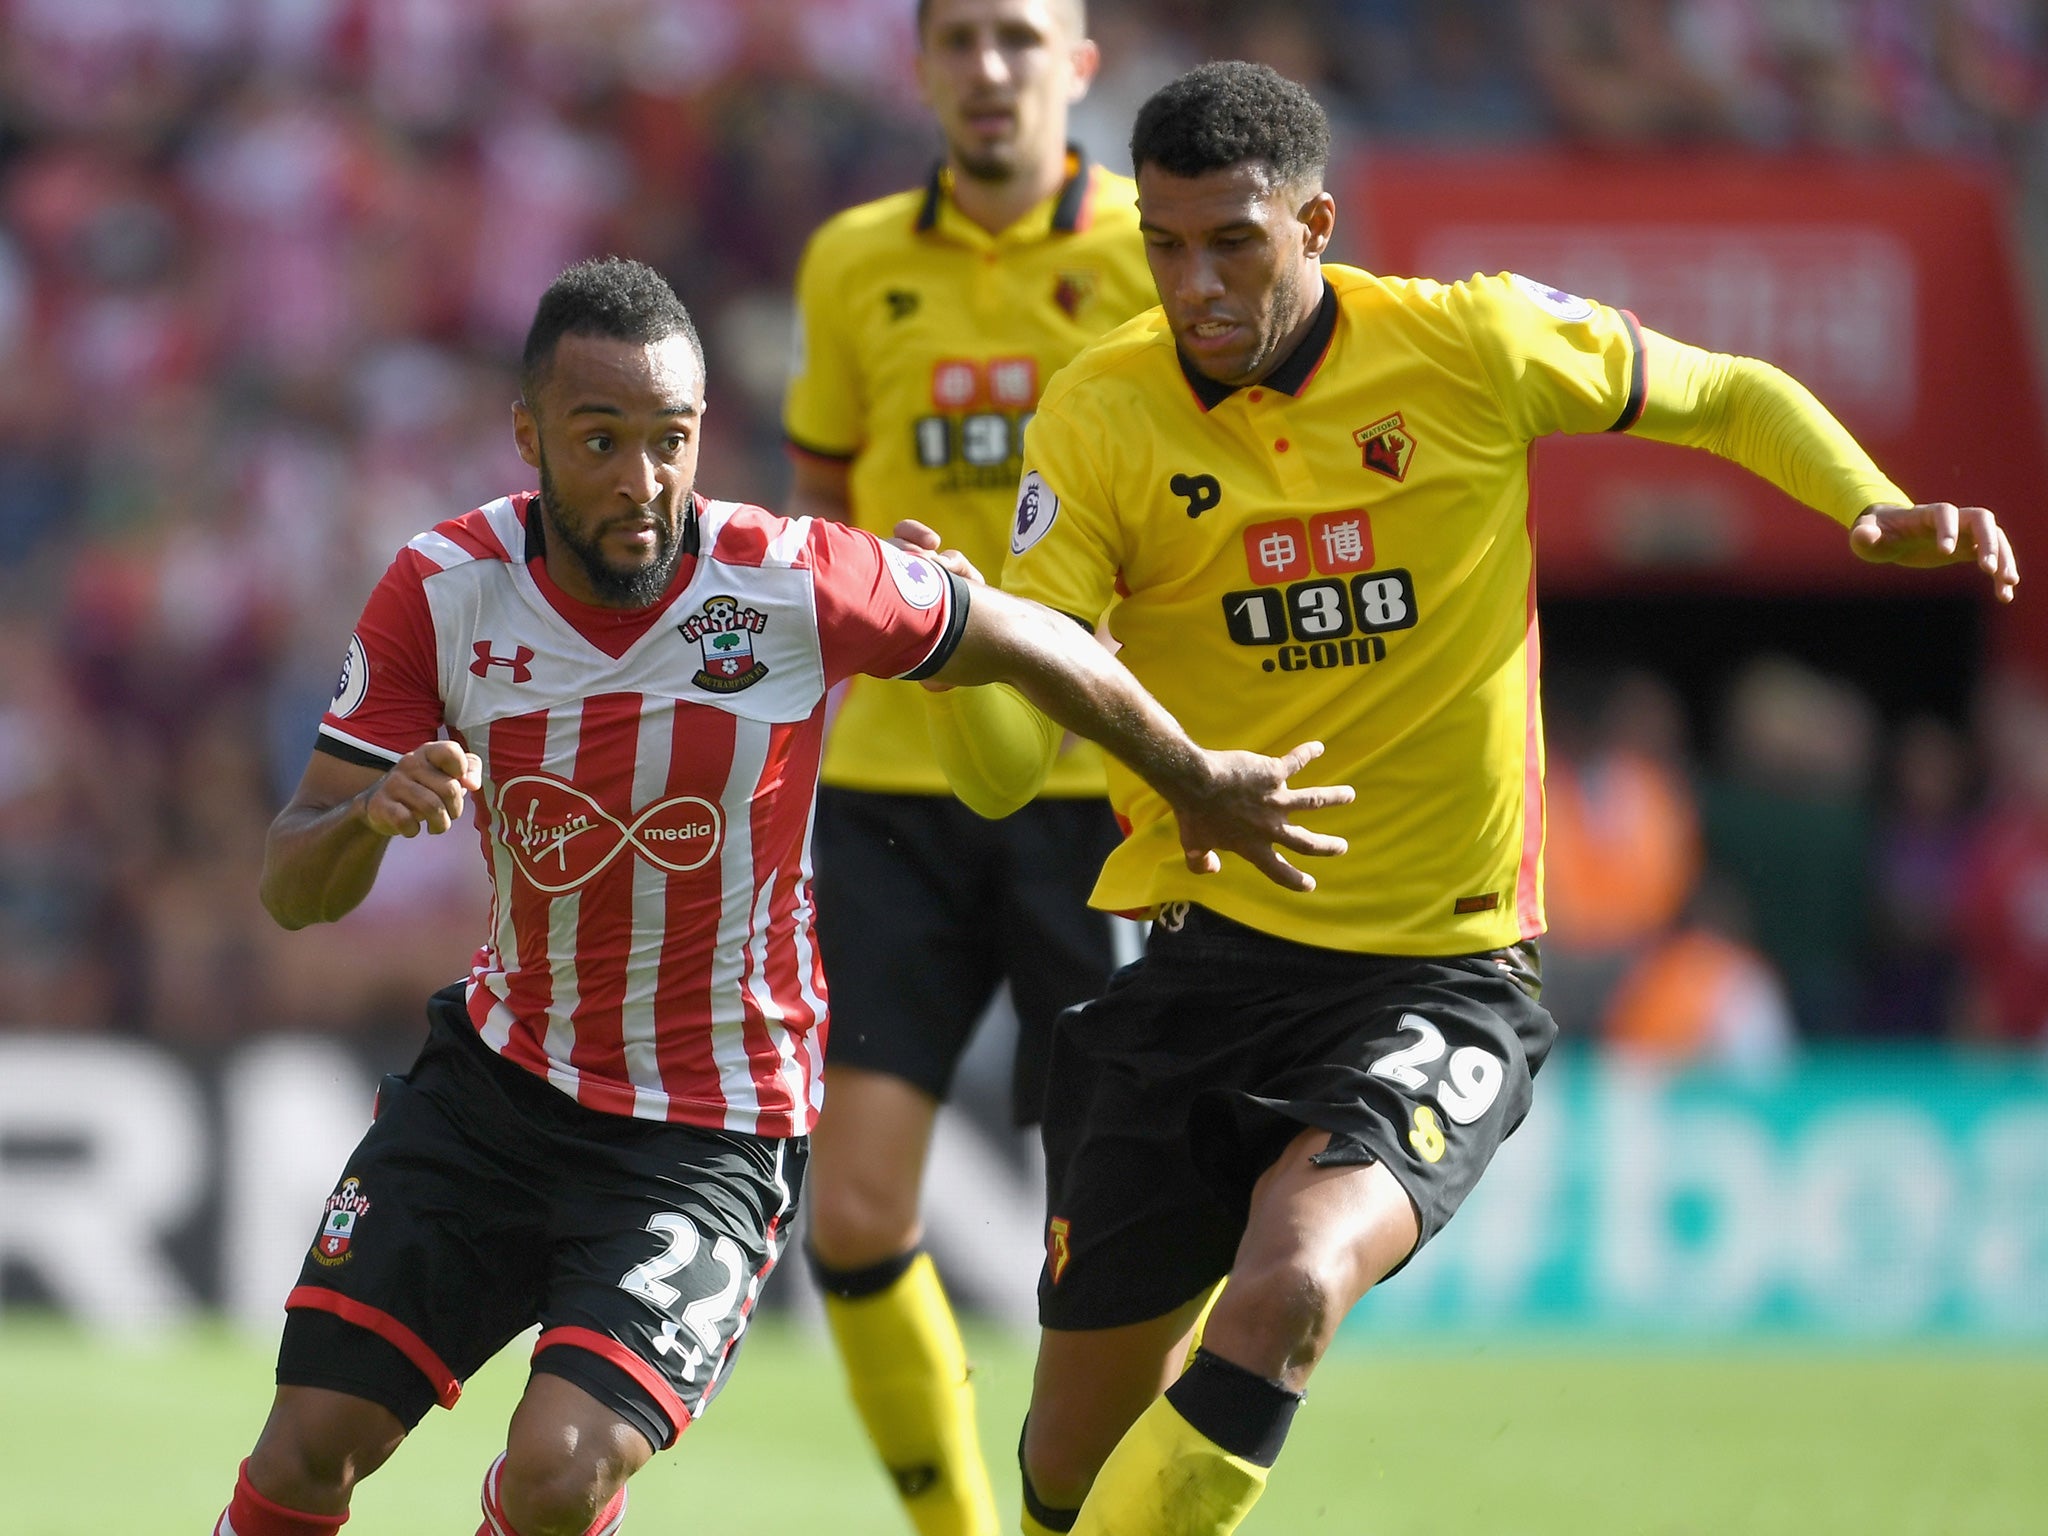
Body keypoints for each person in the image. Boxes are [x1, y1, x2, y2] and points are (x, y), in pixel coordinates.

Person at [922, 61, 2020, 1536]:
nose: (1197, 285)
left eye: (1233, 242)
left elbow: (1725, 391)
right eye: (1165, 247)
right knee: (1062, 1471)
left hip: (1436, 975)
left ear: (1317, 219)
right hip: (1195, 964)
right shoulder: (1101, 413)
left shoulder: (1470, 344)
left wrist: (1860, 501)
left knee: (1296, 1285)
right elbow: (1002, 761)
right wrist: (956, 647)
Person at [209, 255, 1352, 1536]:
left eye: (672, 440)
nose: (643, 484)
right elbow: (292, 884)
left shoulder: (787, 581)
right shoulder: (442, 589)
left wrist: (1187, 774)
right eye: (600, 441)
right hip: (494, 1092)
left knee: (558, 1471)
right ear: (527, 436)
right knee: (308, 1448)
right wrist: (367, 816)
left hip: (706, 1127)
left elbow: (1023, 632)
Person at [780, 3, 1156, 1531]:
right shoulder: (852, 259)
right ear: (922, 68)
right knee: (854, 1217)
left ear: (1077, 64)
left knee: (1121, 1231)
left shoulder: (1160, 247)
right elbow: (822, 510)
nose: (989, 70)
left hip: (1100, 796)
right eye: (961, 41)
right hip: (893, 790)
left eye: (1021, 38)